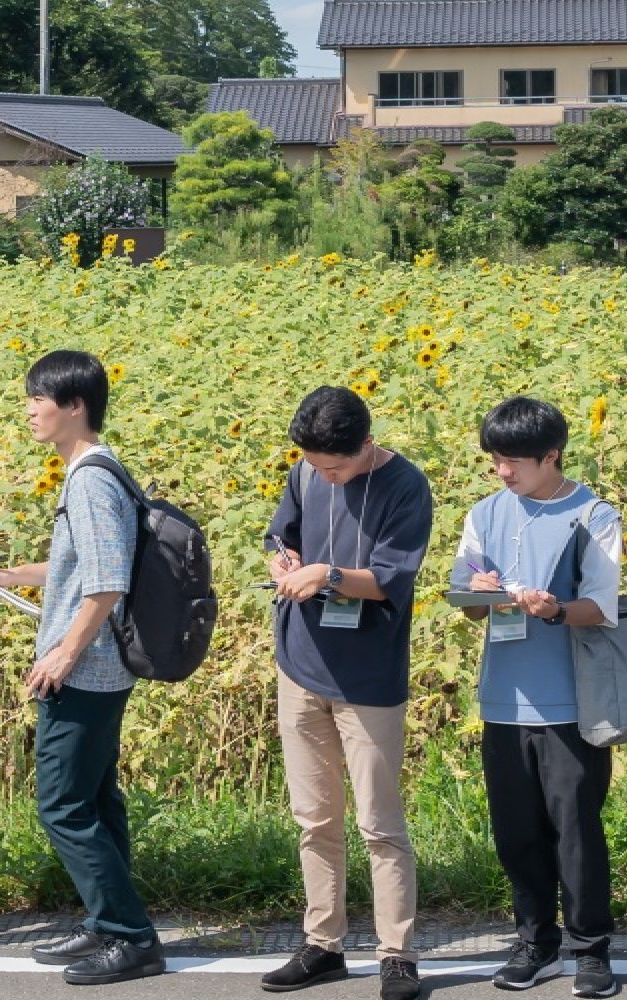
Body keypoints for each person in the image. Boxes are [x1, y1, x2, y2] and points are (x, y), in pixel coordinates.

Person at [0, 350, 167, 985]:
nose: (28, 409)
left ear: (75, 406)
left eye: (38, 398)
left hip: (87, 670)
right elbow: (76, 569)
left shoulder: (90, 479)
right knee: (97, 799)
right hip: (99, 666)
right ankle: (109, 922)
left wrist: (62, 654)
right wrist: (7, 575)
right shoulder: (93, 473)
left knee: (61, 805)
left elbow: (105, 584)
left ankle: (132, 936)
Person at [259, 386, 433, 1000]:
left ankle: (397, 954)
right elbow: (279, 534)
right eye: (313, 464)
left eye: (334, 467)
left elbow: (390, 580)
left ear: (366, 445)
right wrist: (285, 561)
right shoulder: (306, 471)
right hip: (300, 664)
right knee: (314, 819)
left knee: (379, 823)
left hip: (368, 678)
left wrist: (328, 575)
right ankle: (322, 945)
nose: (323, 476)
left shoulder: (405, 486)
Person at [447, 397, 624, 998]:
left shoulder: (593, 515)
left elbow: (601, 606)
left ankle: (591, 947)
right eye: (495, 460)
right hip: (502, 697)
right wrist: (480, 593)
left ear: (552, 456)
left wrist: (552, 610)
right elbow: (465, 600)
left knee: (576, 828)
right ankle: (535, 942)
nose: (503, 471)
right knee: (516, 831)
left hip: (572, 700)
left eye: (515, 461)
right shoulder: (484, 513)